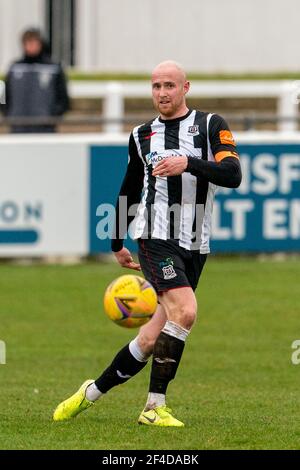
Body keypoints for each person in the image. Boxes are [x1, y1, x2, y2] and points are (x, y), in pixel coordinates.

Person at [53, 60, 242, 427]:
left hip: (195, 245)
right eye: (156, 86)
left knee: (151, 338)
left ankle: (89, 393)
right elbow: (129, 188)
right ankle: (154, 408)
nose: (162, 93)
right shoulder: (142, 134)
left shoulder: (210, 125)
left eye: (169, 85)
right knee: (185, 311)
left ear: (185, 87)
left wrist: (187, 162)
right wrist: (116, 242)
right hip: (155, 237)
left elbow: (232, 174)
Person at [2, 27, 69, 133]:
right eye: (28, 42)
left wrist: (52, 116)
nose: (31, 46)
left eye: (34, 42)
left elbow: (63, 98)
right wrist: (8, 114)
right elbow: (4, 92)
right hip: (17, 127)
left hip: (45, 128)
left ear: (40, 44)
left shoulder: (53, 68)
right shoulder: (15, 67)